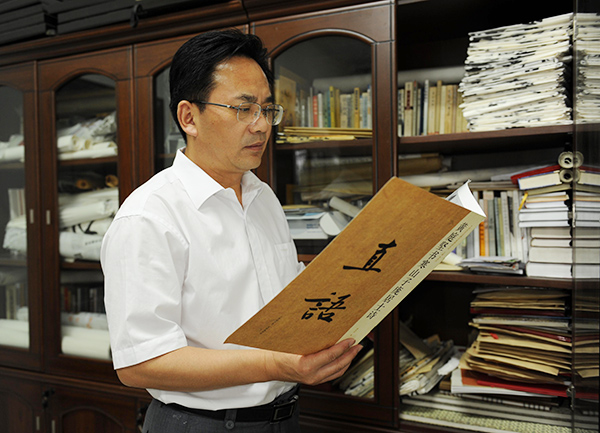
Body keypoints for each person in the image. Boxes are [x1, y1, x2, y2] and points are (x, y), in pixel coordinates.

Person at [100, 28, 362, 433]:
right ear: (189, 117)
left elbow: (285, 300)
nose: (261, 125)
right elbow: (141, 363)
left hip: (284, 416)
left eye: (267, 109)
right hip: (199, 424)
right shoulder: (149, 216)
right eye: (243, 108)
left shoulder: (263, 197)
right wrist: (274, 364)